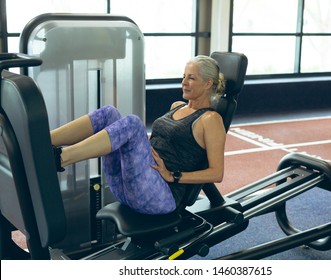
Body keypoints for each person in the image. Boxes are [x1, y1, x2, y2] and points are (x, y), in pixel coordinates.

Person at [50, 55, 227, 215]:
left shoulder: (210, 119)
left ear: (208, 83)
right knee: (109, 113)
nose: (184, 82)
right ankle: (43, 141)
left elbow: (216, 173)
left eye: (191, 78)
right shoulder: (177, 106)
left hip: (161, 196)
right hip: (132, 185)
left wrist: (173, 175)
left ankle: (59, 159)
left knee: (133, 123)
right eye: (184, 76)